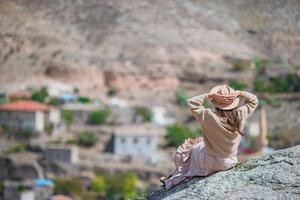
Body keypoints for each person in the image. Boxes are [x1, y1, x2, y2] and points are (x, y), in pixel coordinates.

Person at [160, 85, 258, 190]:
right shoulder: (241, 114)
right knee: (200, 144)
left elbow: (191, 102)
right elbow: (254, 100)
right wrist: (241, 93)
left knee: (191, 147)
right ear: (234, 101)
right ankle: (175, 176)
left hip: (211, 164)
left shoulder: (209, 116)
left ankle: (175, 177)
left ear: (216, 102)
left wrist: (209, 96)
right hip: (230, 162)